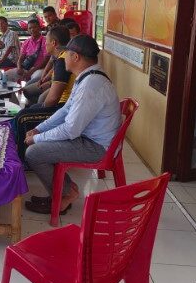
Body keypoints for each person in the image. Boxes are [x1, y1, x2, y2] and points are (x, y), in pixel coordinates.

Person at [23, 35, 121, 215]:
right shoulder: (87, 76)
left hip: (96, 147)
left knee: (34, 153)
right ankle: (64, 191)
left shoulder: (91, 85)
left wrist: (37, 139)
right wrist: (39, 129)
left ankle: (65, 195)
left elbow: (71, 129)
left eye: (66, 53)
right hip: (89, 137)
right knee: (40, 141)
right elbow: (66, 110)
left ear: (75, 57)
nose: (63, 57)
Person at [14, 26, 75, 156]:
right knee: (28, 110)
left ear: (54, 43)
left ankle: (23, 156)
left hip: (64, 108)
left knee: (22, 117)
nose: (45, 43)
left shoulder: (62, 61)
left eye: (47, 40)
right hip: (65, 105)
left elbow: (53, 99)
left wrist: (41, 109)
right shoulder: (63, 57)